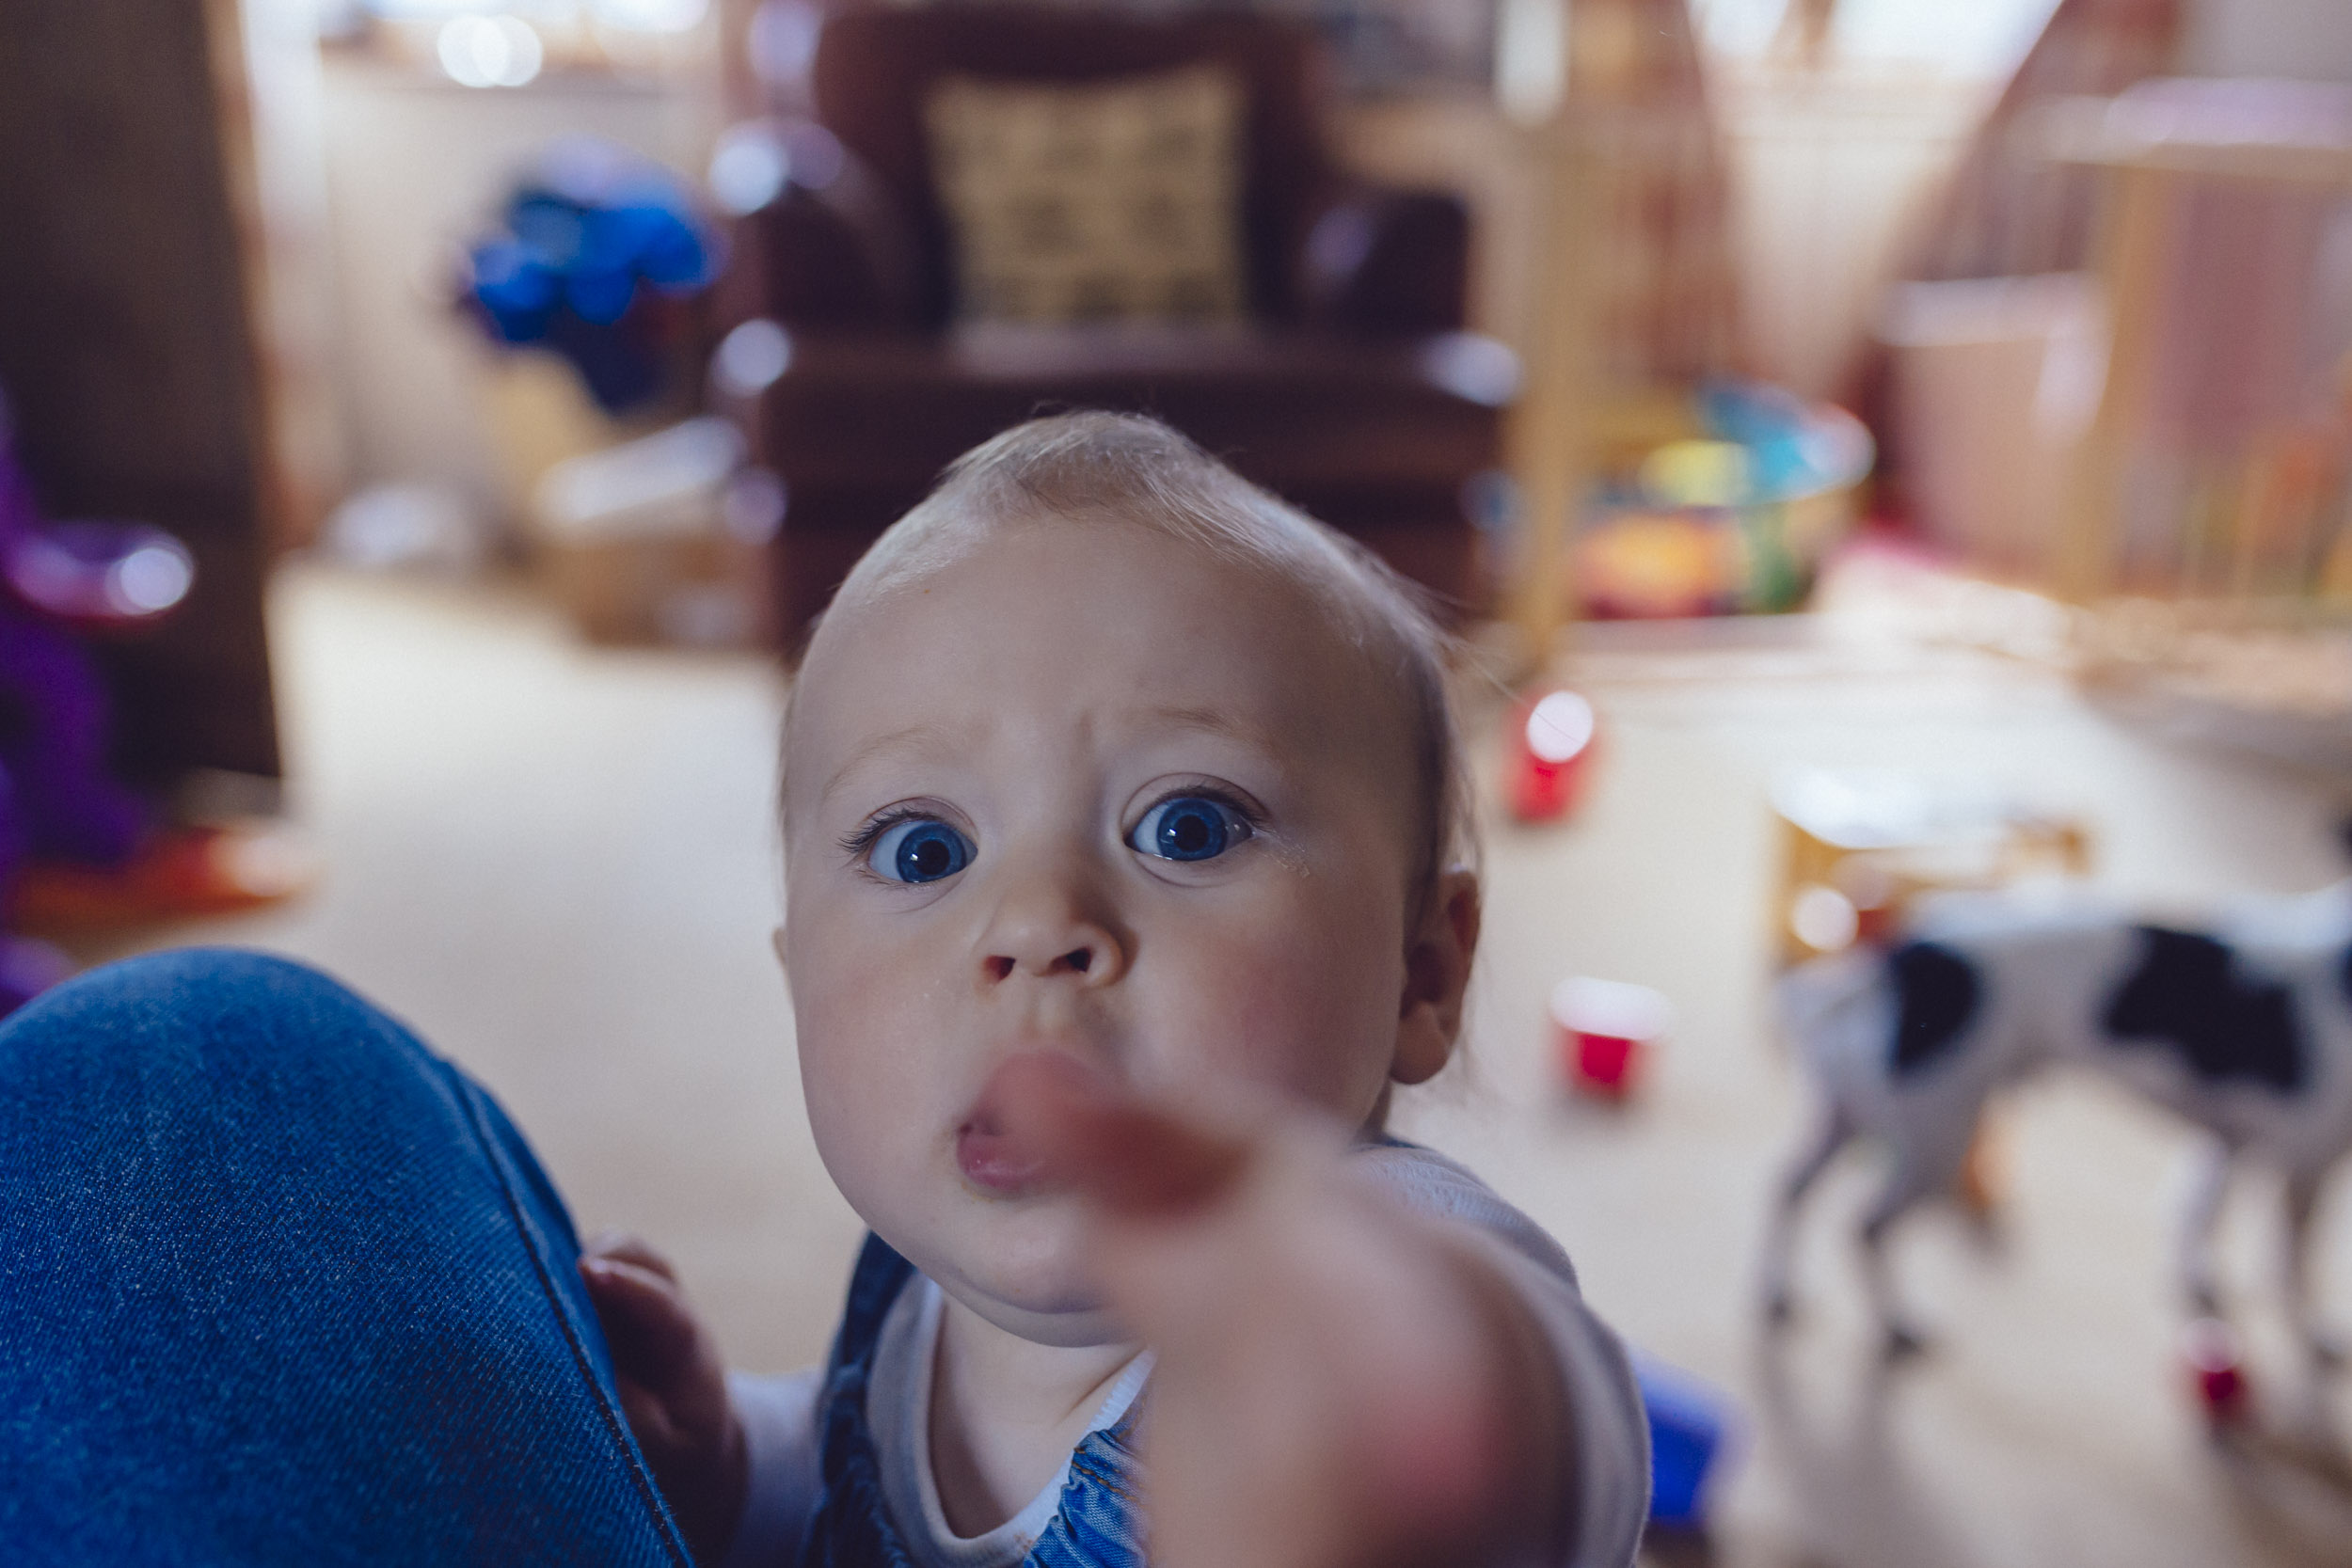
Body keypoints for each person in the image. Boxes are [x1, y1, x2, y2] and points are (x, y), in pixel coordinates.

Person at [0, 413, 1646, 1568]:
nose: (1038, 925)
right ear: (796, 978)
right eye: (923, 850)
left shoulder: (1377, 1267)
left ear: (1426, 974)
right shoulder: (922, 1300)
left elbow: (1537, 1429)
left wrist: (1424, 1414)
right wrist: (740, 1473)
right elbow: (857, 1482)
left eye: (1186, 824)